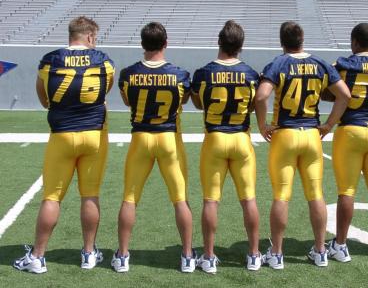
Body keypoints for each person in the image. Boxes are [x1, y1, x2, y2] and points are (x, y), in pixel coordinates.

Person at [13, 16, 115, 274]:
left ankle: (37, 256)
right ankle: (89, 253)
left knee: (52, 196)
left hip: (61, 135)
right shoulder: (104, 61)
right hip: (94, 135)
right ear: (90, 37)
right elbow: (104, 93)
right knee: (89, 194)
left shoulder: (50, 60)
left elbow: (43, 97)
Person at [254, 21, 351, 269]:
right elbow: (345, 95)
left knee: (282, 196)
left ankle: (276, 254)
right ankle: (320, 251)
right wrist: (329, 125)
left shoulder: (278, 63)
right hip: (310, 134)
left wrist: (263, 124)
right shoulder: (319, 63)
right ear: (302, 39)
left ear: (281, 41)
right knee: (315, 194)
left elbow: (262, 95)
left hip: (285, 135)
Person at [113, 22, 195, 273]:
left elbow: (128, 101)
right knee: (180, 199)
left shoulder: (128, 73)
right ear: (166, 43)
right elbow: (182, 100)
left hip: (141, 138)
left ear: (142, 44)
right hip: (168, 138)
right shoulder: (180, 74)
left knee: (129, 198)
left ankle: (123, 255)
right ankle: (188, 256)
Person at [191, 20, 261, 274]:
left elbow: (199, 104)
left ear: (219, 42)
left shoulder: (204, 73)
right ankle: (254, 254)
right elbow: (255, 103)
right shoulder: (251, 74)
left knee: (211, 201)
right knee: (248, 199)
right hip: (241, 139)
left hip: (215, 139)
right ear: (240, 46)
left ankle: (209, 257)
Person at [322, 23, 368, 262]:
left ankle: (341, 245)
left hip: (352, 130)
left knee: (347, 191)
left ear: (354, 42)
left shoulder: (343, 65)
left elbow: (327, 90)